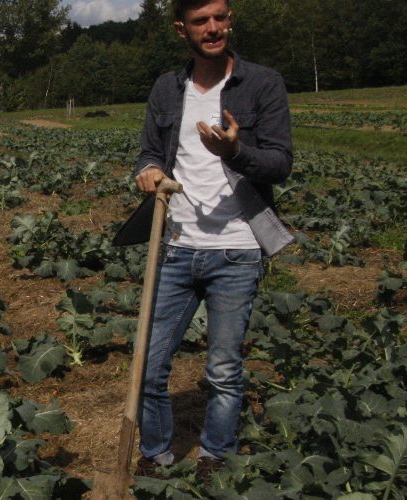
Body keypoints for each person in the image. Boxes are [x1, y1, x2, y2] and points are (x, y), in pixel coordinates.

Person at [131, 0, 294, 479]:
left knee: (223, 371)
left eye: (220, 17)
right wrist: (148, 171)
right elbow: (147, 153)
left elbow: (281, 164)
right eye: (201, 21)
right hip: (178, 244)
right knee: (150, 365)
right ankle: (156, 454)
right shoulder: (167, 88)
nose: (213, 28)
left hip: (238, 248)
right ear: (182, 29)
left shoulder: (262, 84)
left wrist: (236, 151)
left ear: (230, 20)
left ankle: (213, 457)